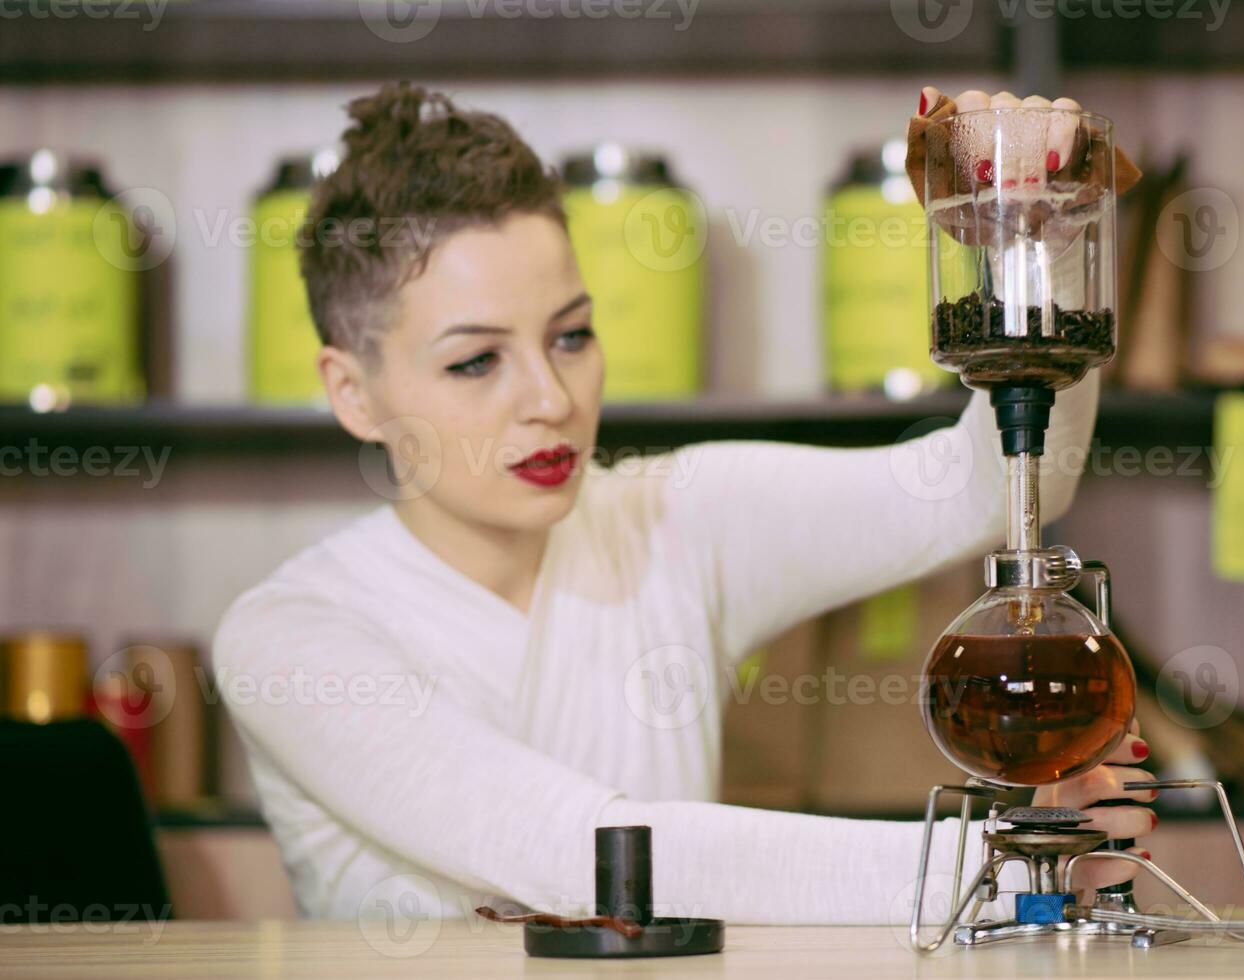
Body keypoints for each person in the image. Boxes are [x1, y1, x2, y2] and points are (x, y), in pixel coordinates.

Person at [211, 81, 1156, 926]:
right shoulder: (290, 638)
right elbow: (579, 858)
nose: (550, 396)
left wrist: (1042, 237)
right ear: (353, 392)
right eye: (475, 360)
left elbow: (983, 485)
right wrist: (1010, 863)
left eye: (572, 336)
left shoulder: (675, 519)